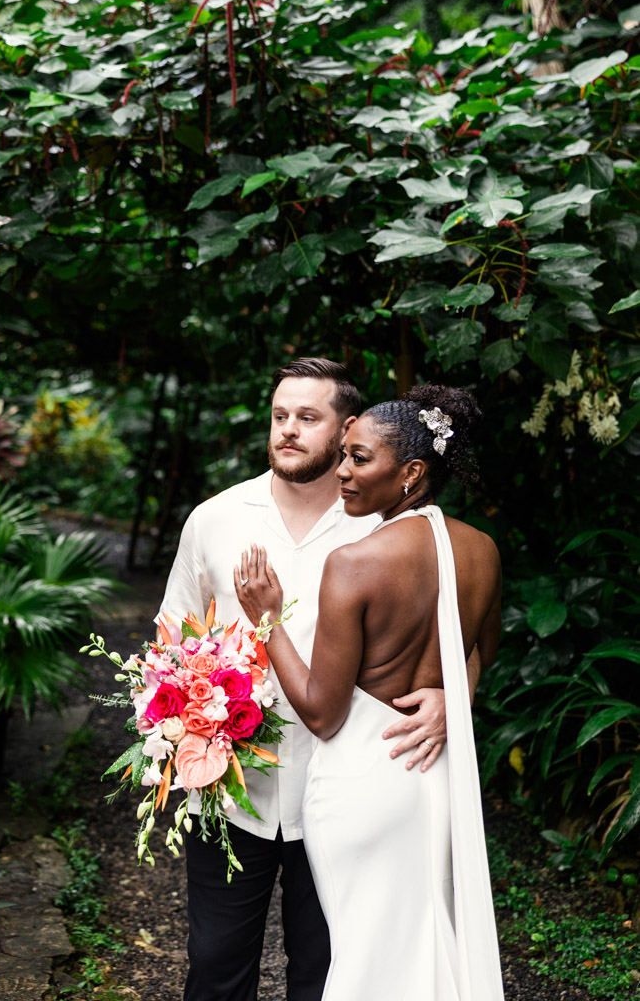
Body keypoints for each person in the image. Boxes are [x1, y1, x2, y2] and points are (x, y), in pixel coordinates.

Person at [156, 359, 455, 1001]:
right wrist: (173, 727)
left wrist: (450, 697)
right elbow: (171, 637)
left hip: (344, 787)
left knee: (326, 973)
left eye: (307, 418)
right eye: (279, 416)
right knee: (214, 967)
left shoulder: (384, 527)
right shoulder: (214, 517)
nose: (287, 430)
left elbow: (452, 633)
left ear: (347, 429)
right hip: (230, 791)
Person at [235, 384, 504, 1001]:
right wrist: (450, 699)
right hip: (434, 778)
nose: (343, 473)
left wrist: (267, 619)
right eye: (345, 455)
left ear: (411, 472)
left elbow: (324, 715)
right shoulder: (482, 551)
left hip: (362, 781)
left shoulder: (355, 561)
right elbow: (481, 652)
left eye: (359, 459)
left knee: (366, 958)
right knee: (423, 941)